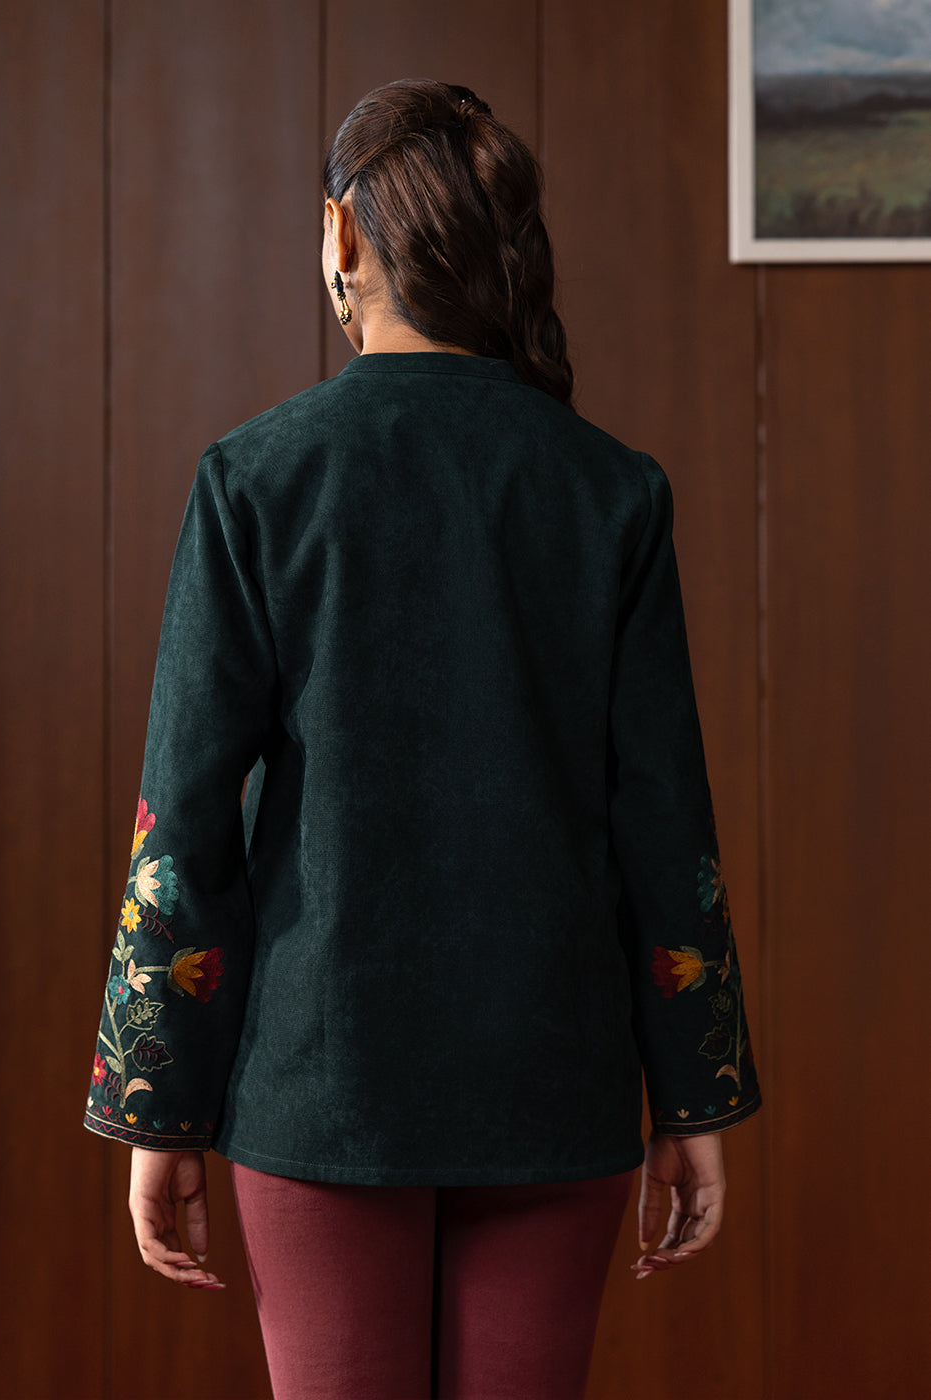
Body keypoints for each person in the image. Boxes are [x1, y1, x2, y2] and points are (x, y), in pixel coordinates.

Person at [85, 79, 761, 1400]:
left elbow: (187, 814)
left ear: (341, 236)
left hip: (320, 1080)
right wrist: (694, 1093)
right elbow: (661, 815)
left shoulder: (255, 478)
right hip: (553, 1077)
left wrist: (154, 1104)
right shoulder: (610, 490)